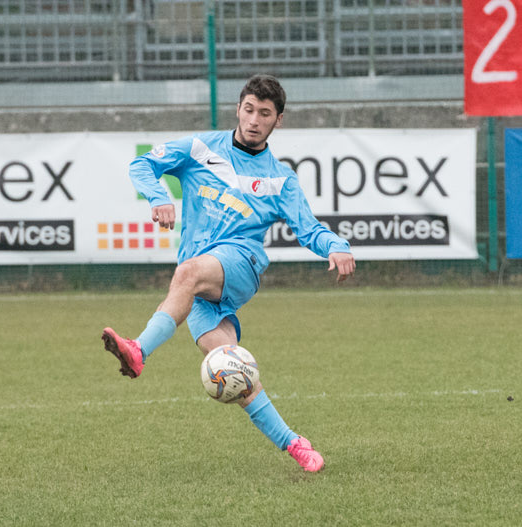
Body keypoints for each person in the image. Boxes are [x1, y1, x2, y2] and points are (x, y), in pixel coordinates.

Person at [102, 74, 355, 472]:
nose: (254, 120)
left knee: (186, 273)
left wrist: (337, 246)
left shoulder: (280, 179)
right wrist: (158, 196)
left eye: (265, 114)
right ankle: (296, 445)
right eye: (249, 109)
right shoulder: (200, 148)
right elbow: (142, 164)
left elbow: (308, 228)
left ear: (278, 121)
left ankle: (138, 351)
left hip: (241, 263)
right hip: (201, 285)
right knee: (234, 372)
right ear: (238, 108)